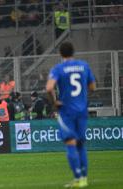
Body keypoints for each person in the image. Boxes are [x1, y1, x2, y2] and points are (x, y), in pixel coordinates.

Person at [46, 42, 96, 188]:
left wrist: (55, 102)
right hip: (82, 109)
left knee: (70, 143)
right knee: (80, 144)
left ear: (60, 54)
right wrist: (82, 97)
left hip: (67, 110)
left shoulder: (59, 68)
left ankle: (77, 178)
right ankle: (84, 179)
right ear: (73, 52)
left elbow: (49, 87)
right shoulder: (84, 66)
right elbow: (93, 87)